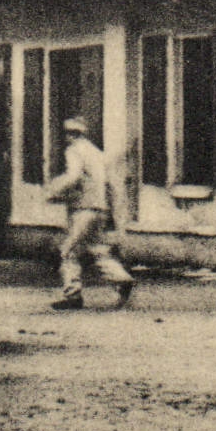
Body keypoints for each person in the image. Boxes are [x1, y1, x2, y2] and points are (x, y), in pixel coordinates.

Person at [44, 117, 134, 311]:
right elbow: (110, 182)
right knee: (97, 249)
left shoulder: (74, 151)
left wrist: (54, 190)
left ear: (70, 134)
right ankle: (121, 278)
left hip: (83, 209)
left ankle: (72, 294)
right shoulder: (96, 152)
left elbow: (73, 176)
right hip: (100, 208)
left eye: (67, 134)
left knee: (68, 251)